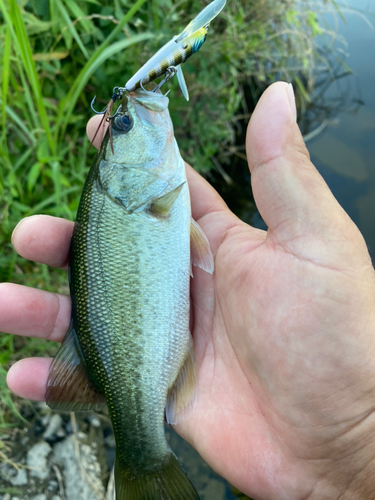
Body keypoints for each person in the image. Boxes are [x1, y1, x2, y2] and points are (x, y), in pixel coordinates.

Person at [2, 82, 375, 500]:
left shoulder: (151, 196)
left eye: (120, 123)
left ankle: (140, 457)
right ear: (116, 172)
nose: (128, 118)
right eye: (124, 124)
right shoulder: (151, 197)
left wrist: (361, 444)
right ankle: (142, 456)